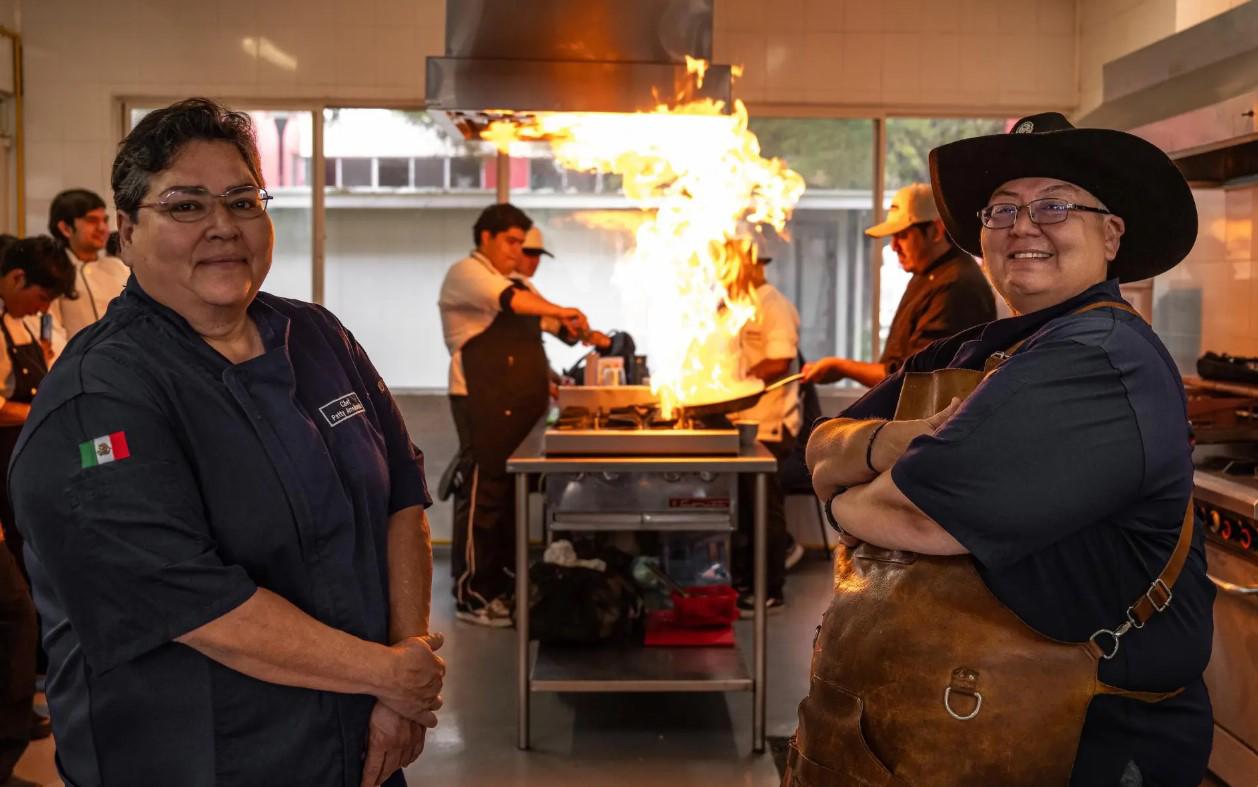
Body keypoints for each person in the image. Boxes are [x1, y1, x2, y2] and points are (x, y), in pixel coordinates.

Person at [10, 98, 445, 787]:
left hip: (357, 748)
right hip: (198, 759)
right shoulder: (100, 398)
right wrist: (390, 674)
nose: (223, 226)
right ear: (126, 231)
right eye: (186, 205)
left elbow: (399, 496)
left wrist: (407, 652)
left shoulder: (319, 338)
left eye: (244, 200)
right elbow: (193, 602)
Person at [788, 113, 1213, 785]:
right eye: (1003, 209)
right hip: (937, 722)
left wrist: (846, 493)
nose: (1023, 225)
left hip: (1080, 743)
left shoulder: (1102, 356)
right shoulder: (974, 348)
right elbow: (818, 447)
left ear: (1111, 235)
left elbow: (916, 516)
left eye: (1054, 205)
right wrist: (894, 441)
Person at [438, 204, 589, 627]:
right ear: (485, 237)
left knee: (506, 500)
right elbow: (513, 303)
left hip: (517, 405)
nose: (518, 251)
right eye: (511, 241)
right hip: (481, 399)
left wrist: (580, 331)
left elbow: (548, 324)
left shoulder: (517, 282)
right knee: (483, 495)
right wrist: (562, 312)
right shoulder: (467, 274)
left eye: (522, 243)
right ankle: (472, 594)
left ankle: (501, 586)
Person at [0, 235, 72, 787]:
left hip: (14, 468)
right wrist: (41, 410)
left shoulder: (22, 321)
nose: (43, 310)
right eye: (41, 297)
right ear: (18, 279)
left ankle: (20, 709)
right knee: (15, 613)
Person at [802, 182, 995, 388]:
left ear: (936, 231)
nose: (893, 246)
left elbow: (914, 376)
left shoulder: (955, 286)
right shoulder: (928, 273)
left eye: (902, 235)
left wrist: (842, 367)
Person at [728, 251, 801, 614]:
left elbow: (780, 360)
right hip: (741, 422)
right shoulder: (734, 304)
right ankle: (744, 581)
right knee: (743, 510)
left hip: (770, 424)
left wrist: (736, 382)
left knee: (763, 511)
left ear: (752, 264)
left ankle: (770, 589)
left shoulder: (773, 305)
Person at [46, 189, 130, 338]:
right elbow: (52, 332)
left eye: (104, 220)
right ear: (65, 228)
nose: (103, 228)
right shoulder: (53, 272)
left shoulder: (120, 268)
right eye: (92, 220)